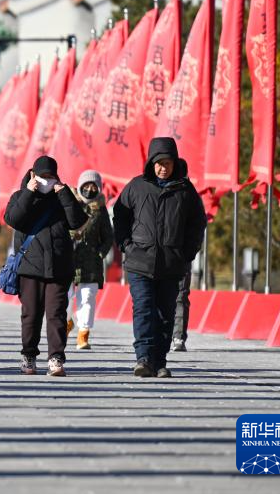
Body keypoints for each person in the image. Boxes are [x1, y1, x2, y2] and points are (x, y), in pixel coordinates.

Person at [112, 137, 206, 378]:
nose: (164, 168)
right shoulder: (136, 186)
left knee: (165, 313)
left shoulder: (185, 190)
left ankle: (160, 361)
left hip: (171, 263)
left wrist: (187, 253)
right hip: (139, 261)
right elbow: (120, 216)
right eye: (159, 163)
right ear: (151, 163)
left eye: (168, 163)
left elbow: (197, 224)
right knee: (143, 308)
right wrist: (126, 245)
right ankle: (143, 358)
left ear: (175, 163)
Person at [4, 156, 87, 377]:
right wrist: (29, 193)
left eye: (51, 177)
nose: (46, 181)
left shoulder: (62, 197)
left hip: (59, 267)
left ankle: (56, 358)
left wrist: (65, 194)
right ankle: (29, 355)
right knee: (30, 315)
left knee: (57, 315)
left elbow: (78, 222)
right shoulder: (20, 196)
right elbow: (12, 219)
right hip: (29, 268)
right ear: (33, 175)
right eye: (43, 176)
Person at [69, 170, 114, 350]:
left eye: (93, 186)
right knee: (64, 297)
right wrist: (71, 236)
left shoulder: (100, 210)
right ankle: (66, 321)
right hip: (68, 259)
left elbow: (108, 236)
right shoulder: (70, 204)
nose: (89, 189)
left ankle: (83, 333)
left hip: (91, 262)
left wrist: (100, 253)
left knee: (87, 297)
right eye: (86, 185)